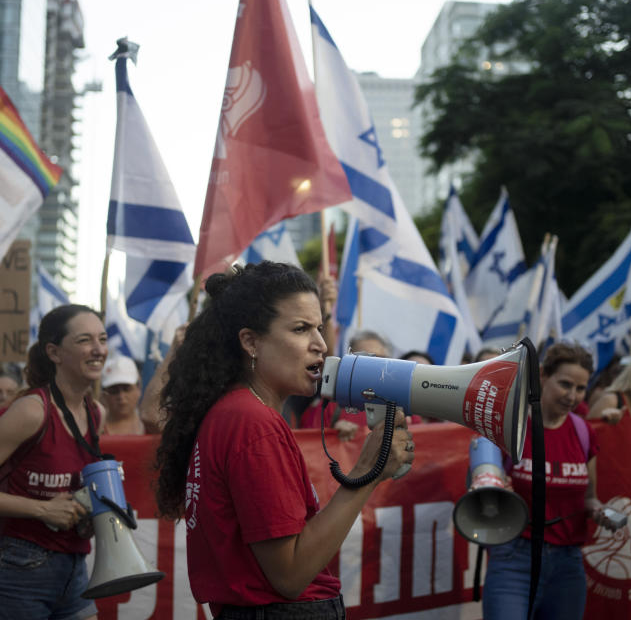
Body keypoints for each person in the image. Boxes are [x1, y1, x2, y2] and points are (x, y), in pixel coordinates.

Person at [153, 262, 414, 618]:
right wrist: (368, 470)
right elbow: (289, 576)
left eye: (319, 328)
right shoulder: (253, 422)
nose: (320, 344)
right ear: (251, 341)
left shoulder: (235, 411)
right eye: (300, 329)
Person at [0, 304, 108, 620]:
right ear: (54, 352)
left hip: (75, 566)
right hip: (20, 570)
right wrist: (42, 509)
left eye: (103, 338)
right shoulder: (32, 411)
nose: (98, 349)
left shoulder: (96, 412)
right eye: (85, 340)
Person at [483, 342, 619, 620]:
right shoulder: (510, 427)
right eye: (565, 384)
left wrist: (602, 512)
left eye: (580, 388)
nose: (572, 396)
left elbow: (589, 497)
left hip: (567, 564)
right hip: (514, 558)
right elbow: (484, 488)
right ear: (543, 375)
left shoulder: (583, 432)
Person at [297, 330, 393, 438]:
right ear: (351, 362)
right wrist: (331, 434)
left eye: (380, 359)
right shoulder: (330, 404)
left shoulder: (402, 405)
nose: (374, 365)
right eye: (365, 359)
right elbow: (307, 445)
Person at [100, 355, 145, 435]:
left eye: (126, 389)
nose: (121, 396)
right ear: (104, 395)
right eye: (113, 391)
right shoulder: (93, 428)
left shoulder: (150, 425)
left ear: (138, 389)